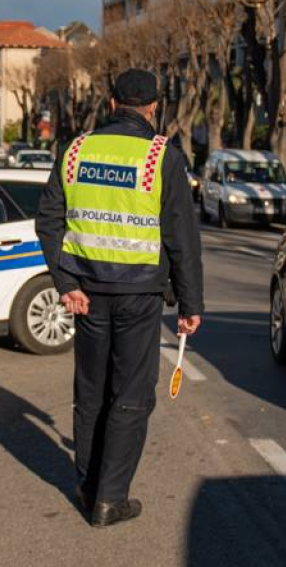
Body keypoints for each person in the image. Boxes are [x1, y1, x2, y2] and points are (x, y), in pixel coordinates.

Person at [35, 68, 204, 528]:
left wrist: (66, 283)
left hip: (86, 294)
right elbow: (182, 239)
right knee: (130, 394)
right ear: (153, 107)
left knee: (90, 393)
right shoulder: (161, 155)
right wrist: (191, 307)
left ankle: (87, 486)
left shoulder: (73, 151)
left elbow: (48, 222)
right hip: (139, 297)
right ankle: (110, 498)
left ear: (111, 104)